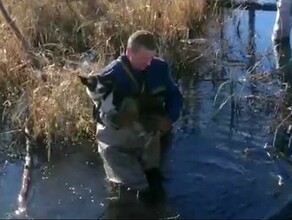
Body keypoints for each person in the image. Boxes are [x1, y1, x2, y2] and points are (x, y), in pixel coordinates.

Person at [92, 30, 183, 203]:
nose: (148, 64)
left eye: (151, 58)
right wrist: (118, 119)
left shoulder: (159, 68)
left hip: (147, 133)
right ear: (128, 53)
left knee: (154, 176)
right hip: (117, 141)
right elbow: (99, 114)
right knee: (138, 189)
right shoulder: (109, 76)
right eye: (143, 59)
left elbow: (175, 96)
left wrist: (170, 119)